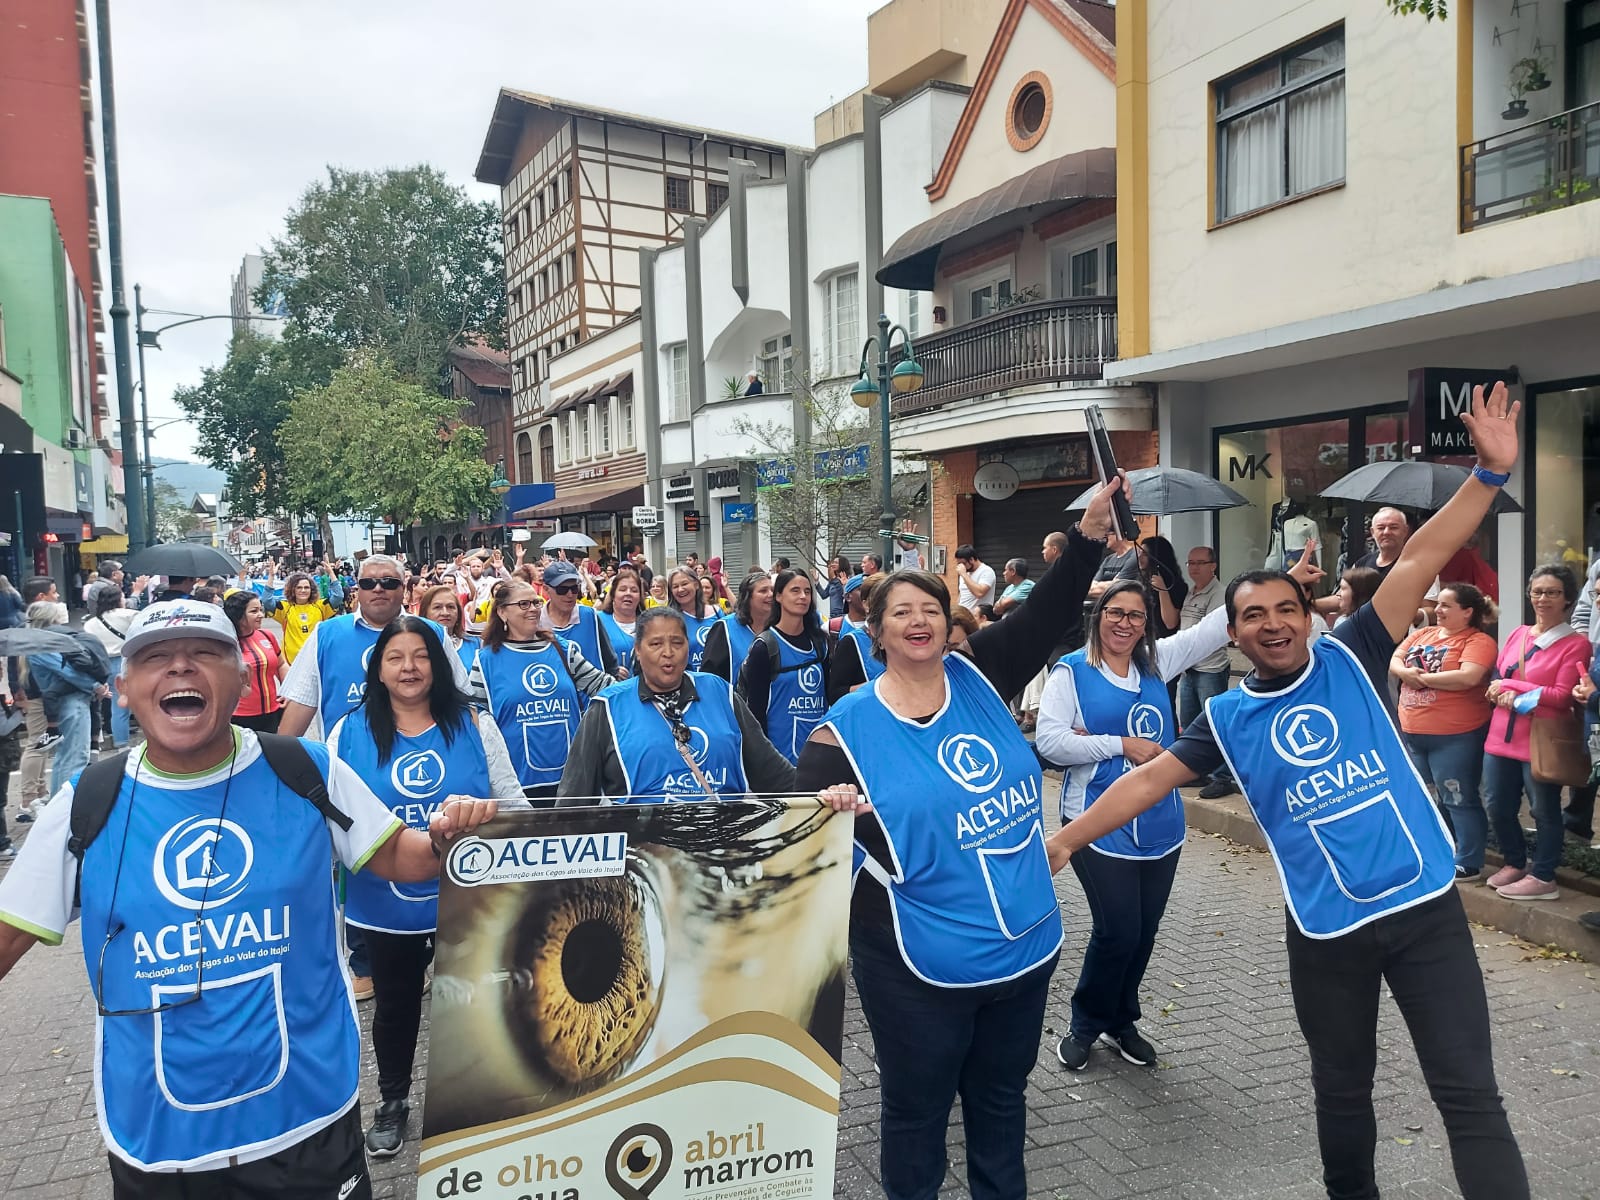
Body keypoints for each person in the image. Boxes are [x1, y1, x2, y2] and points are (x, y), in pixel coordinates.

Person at [1041, 381, 1528, 1200]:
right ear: (1231, 634)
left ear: (1309, 615)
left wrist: (1487, 473)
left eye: (1285, 608)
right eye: (1253, 614)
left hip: (1423, 912)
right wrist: (1063, 840)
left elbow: (1419, 558)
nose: (1272, 623)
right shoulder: (1226, 718)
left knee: (1469, 1096)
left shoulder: (1354, 652)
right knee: (1342, 1097)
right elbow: (1148, 779)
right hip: (1326, 933)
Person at [0, 599, 497, 1196]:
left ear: (242, 678)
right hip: (161, 1140)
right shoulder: (88, 802)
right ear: (124, 690)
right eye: (155, 658)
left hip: (308, 1117)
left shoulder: (305, 770)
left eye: (205, 654)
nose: (181, 668)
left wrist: (447, 838)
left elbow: (402, 858)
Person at [801, 476, 1124, 1200]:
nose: (920, 621)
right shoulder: (841, 735)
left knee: (1001, 1105)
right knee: (917, 1117)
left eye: (932, 610)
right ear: (875, 629)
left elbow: (1046, 614)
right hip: (920, 968)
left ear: (951, 622)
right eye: (902, 612)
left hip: (1024, 947)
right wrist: (829, 813)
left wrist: (1091, 534)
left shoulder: (981, 675)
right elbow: (794, 840)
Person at [327, 616, 519, 1157]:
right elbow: (333, 818)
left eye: (420, 656)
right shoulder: (348, 732)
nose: (409, 667)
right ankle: (392, 1101)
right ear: (378, 669)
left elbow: (513, 800)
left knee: (484, 1002)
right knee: (395, 1006)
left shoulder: (475, 725)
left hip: (475, 898)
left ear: (438, 663)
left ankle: (492, 1100)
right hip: (386, 904)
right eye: (395, 657)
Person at [1038, 569, 1242, 1072]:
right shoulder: (1071, 671)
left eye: (1135, 615)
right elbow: (1051, 742)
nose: (1124, 623)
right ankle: (1085, 1023)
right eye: (1115, 613)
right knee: (1117, 931)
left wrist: (1283, 583)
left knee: (1145, 931)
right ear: (1098, 616)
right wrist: (1117, 744)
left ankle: (1121, 1020)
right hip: (1096, 824)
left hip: (1161, 823)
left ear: (1146, 623)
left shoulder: (1157, 663)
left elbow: (1211, 630)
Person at [557, 607, 796, 802]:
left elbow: (773, 774)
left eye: (677, 643)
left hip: (724, 847)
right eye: (656, 644)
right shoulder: (607, 707)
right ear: (638, 651)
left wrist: (824, 796)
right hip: (646, 853)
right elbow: (574, 800)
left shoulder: (719, 692)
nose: (668, 652)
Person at [1481, 564, 1591, 901]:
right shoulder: (1518, 633)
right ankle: (1515, 862)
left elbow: (1560, 697)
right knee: (1497, 806)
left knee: (1543, 811)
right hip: (1500, 736)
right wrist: (1504, 690)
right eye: (1538, 591)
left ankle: (1544, 876)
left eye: (1553, 592)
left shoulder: (1576, 644)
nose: (1543, 598)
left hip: (1540, 740)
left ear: (1568, 599)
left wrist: (1512, 690)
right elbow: (1497, 675)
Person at [278, 555, 467, 741]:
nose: (378, 588)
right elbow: (300, 705)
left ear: (403, 588)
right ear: (358, 590)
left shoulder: (434, 633)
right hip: (345, 764)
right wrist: (279, 764)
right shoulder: (325, 635)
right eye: (368, 583)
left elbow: (463, 699)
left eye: (388, 582)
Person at [1389, 584, 1498, 880]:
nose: (1437, 609)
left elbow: (1468, 677)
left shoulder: (1479, 641)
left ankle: (1470, 860)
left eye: (1446, 605)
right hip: (1413, 733)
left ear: (1467, 612)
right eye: (1439, 604)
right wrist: (1406, 673)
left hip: (1456, 735)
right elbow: (1395, 659)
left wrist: (1421, 679)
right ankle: (1437, 849)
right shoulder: (1422, 634)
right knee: (1423, 797)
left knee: (1458, 797)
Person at [472, 579, 611, 803]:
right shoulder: (486, 660)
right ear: (502, 612)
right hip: (519, 785)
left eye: (536, 603)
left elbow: (602, 686)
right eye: (524, 604)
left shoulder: (561, 648)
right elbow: (476, 721)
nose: (534, 610)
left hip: (573, 780)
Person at [736, 569, 829, 764]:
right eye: (795, 590)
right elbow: (756, 712)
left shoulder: (821, 643)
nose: (803, 596)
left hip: (818, 756)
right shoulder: (766, 646)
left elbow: (830, 697)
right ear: (778, 596)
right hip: (779, 760)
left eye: (807, 591)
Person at [24, 601, 105, 795]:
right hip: (72, 700)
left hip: (61, 702)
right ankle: (69, 809)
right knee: (76, 756)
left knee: (64, 756)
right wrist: (96, 686)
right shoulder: (43, 644)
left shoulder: (33, 643)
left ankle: (59, 806)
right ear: (50, 619)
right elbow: (68, 672)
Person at [1179, 546, 1236, 802]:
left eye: (1200, 563)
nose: (1194, 568)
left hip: (1210, 669)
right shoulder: (1192, 593)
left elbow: (1209, 632)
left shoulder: (1220, 594)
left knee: (1214, 725)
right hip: (1188, 668)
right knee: (1190, 725)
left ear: (1213, 565)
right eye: (1190, 562)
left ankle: (1222, 777)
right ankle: (1195, 771)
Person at [541, 560, 620, 678]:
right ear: (546, 589)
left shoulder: (590, 615)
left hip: (593, 693)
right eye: (562, 589)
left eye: (574, 588)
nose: (570, 594)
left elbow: (609, 660)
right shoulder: (536, 622)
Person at [224, 590, 286, 734]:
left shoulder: (266, 635)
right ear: (238, 615)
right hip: (238, 716)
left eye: (261, 610)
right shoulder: (226, 643)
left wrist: (287, 691)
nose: (261, 615)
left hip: (272, 712)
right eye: (254, 611)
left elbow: (281, 664)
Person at [83, 582, 135, 750]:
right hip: (129, 661)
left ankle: (121, 744)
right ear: (119, 598)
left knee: (118, 706)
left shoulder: (90, 623)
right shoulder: (129, 615)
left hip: (104, 665)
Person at [699, 571, 774, 685]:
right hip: (734, 700)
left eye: (772, 590)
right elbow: (710, 676)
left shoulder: (778, 627)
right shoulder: (724, 628)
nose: (770, 594)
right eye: (763, 591)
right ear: (748, 597)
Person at [828, 573, 887, 706]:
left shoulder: (903, 640)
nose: (884, 604)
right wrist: (878, 686)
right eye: (878, 598)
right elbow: (835, 694)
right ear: (866, 604)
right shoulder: (851, 642)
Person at [272, 571, 340, 665]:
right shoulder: (285, 607)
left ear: (311, 590)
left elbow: (338, 596)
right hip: (292, 663)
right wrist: (271, 576)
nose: (303, 590)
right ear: (292, 590)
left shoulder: (320, 606)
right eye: (299, 587)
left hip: (315, 661)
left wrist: (331, 573)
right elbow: (266, 600)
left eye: (306, 587)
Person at [665, 566, 722, 672]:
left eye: (684, 584)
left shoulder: (716, 612)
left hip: (715, 680)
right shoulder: (668, 619)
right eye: (675, 586)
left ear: (696, 584)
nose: (680, 589)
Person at [418, 582, 478, 674]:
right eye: (437, 607)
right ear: (425, 612)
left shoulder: (475, 644)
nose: (445, 613)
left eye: (450, 607)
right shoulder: (416, 645)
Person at [1137, 535, 1186, 639]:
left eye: (1145, 554)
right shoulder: (1142, 581)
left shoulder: (1176, 585)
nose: (1139, 557)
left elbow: (1170, 623)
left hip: (1165, 643)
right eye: (1139, 552)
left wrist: (1162, 590)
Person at [598, 568, 643, 676]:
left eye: (634, 590)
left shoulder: (650, 623)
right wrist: (609, 670)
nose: (628, 594)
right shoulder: (597, 621)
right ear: (613, 595)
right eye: (622, 589)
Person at [953, 544, 995, 610]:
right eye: (959, 564)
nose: (962, 566)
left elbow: (979, 593)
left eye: (963, 563)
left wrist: (964, 575)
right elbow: (962, 594)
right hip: (963, 615)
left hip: (977, 617)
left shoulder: (986, 571)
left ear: (971, 559)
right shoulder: (965, 572)